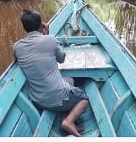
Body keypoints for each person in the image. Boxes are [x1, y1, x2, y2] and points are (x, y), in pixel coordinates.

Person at [12, 8, 89, 137]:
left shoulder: (17, 47)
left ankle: (65, 113)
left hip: (38, 101)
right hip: (57, 98)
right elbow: (61, 59)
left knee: (69, 80)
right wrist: (47, 35)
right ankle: (68, 121)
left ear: (24, 28)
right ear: (41, 25)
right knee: (84, 99)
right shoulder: (50, 40)